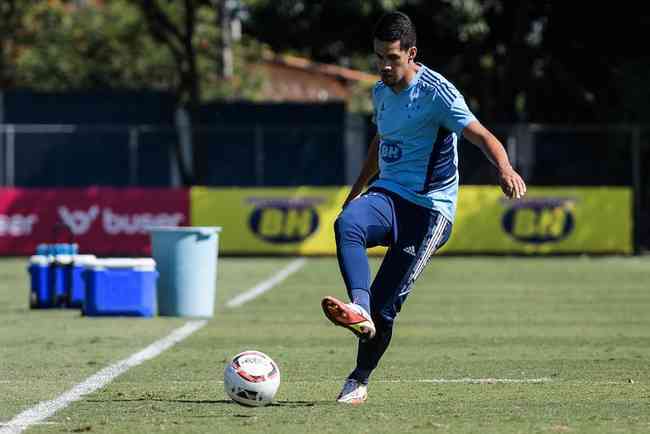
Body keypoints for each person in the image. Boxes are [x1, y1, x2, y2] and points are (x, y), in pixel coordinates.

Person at [320, 11, 527, 404]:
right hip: (390, 194)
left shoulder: (438, 94)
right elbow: (380, 144)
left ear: (411, 53)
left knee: (387, 305)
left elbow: (483, 135)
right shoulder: (380, 91)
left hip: (430, 212)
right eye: (378, 56)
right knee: (347, 223)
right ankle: (358, 309)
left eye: (392, 58)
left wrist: (504, 168)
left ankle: (359, 379)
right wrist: (355, 193)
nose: (383, 66)